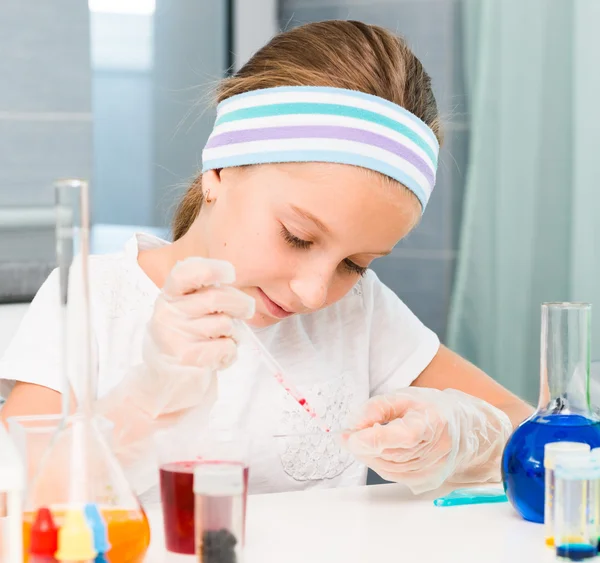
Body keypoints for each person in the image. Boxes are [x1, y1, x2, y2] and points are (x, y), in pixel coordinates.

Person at [0, 20, 531, 500]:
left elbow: (537, 433)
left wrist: (462, 435)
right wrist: (146, 396)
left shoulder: (359, 314)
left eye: (356, 264)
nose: (314, 293)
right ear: (220, 171)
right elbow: (18, 503)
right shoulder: (91, 300)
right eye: (298, 237)